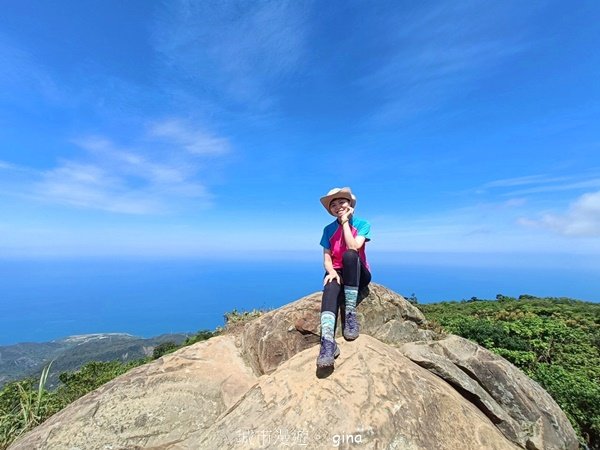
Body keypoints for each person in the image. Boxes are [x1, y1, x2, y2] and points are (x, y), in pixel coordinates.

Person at [316, 187, 372, 368]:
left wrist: (345, 222)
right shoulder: (328, 230)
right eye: (333, 204)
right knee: (330, 287)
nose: (338, 206)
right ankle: (327, 342)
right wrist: (331, 271)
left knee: (349, 255)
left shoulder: (362, 224)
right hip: (338, 271)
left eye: (342, 202)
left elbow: (354, 247)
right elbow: (327, 256)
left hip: (357, 271)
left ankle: (349, 314)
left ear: (350, 204)